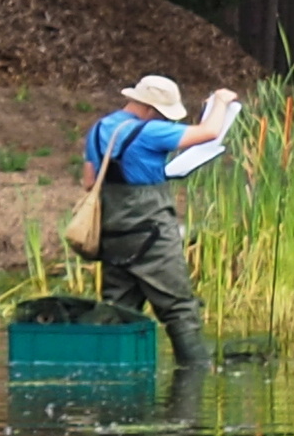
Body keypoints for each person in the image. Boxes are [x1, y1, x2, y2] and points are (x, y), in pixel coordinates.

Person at [77, 72, 243, 365]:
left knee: (118, 310)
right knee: (179, 309)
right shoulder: (150, 131)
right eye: (164, 115)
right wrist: (221, 101)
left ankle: (108, 375)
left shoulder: (100, 128)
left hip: (113, 235)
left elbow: (89, 181)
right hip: (152, 234)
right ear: (151, 110)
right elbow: (208, 133)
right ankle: (195, 377)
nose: (166, 121)